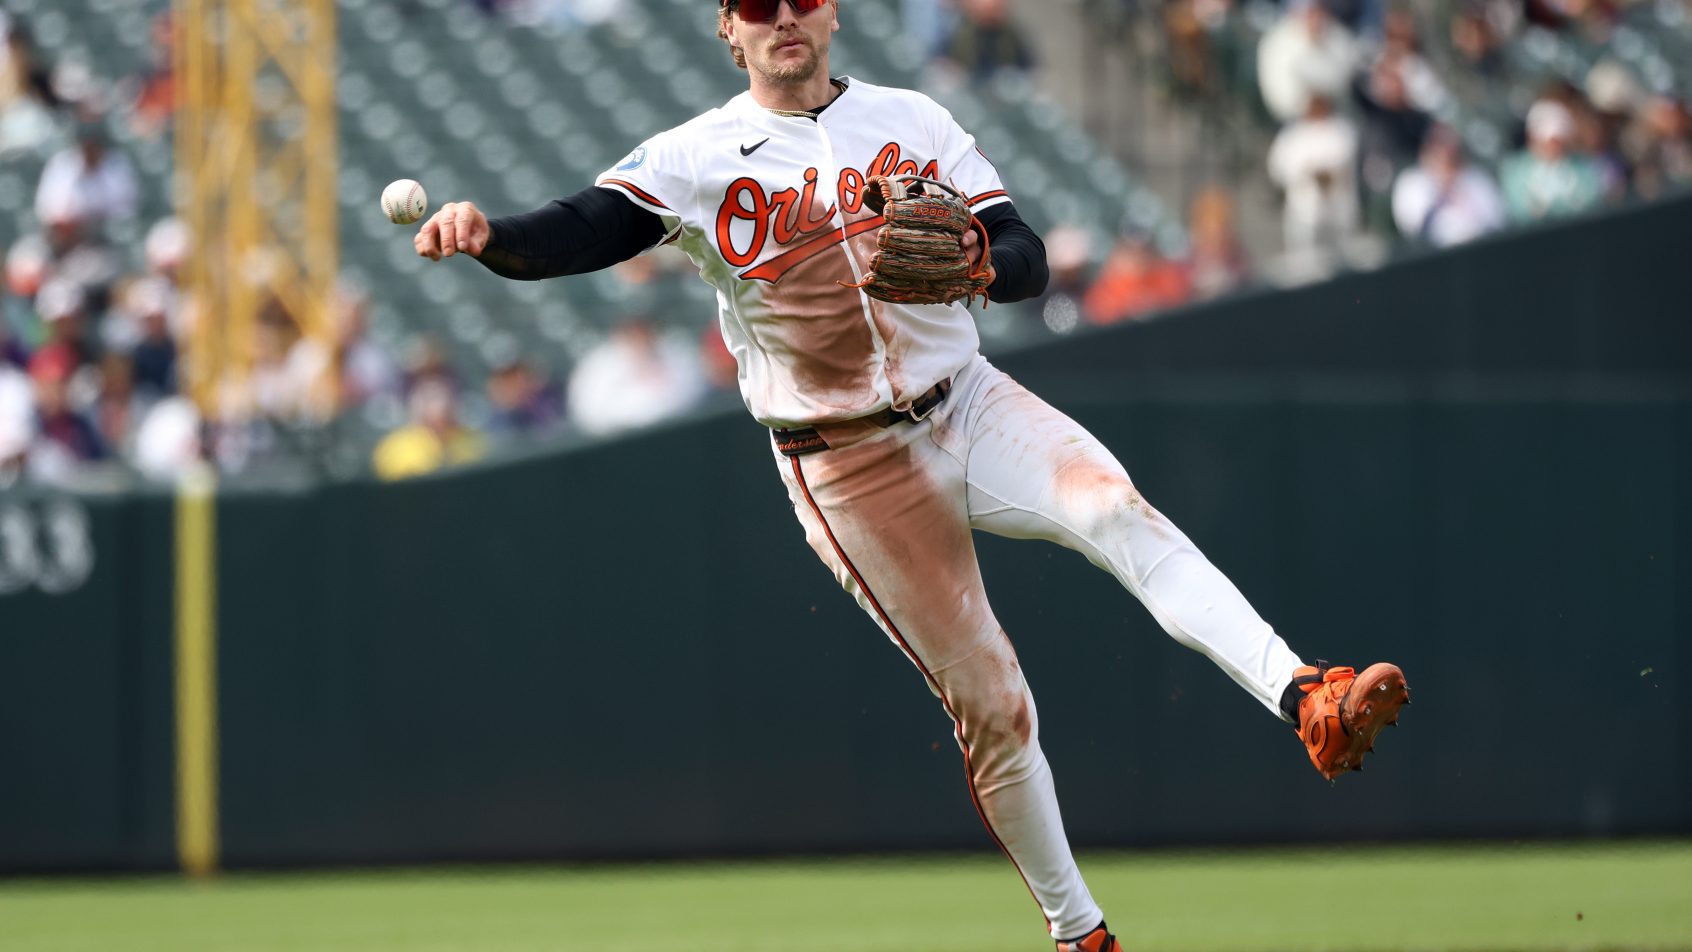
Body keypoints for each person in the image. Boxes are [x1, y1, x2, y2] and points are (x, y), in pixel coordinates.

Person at [410, 3, 1409, 949]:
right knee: (995, 701)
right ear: (728, 29)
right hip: (846, 465)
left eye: (800, 0)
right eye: (757, 5)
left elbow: (1024, 254)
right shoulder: (696, 156)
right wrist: (491, 237)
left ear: (834, 12)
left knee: (1117, 508)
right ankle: (1082, 931)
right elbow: (578, 228)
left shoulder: (911, 119)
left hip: (965, 396)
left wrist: (978, 256)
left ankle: (1306, 697)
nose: (784, 18)